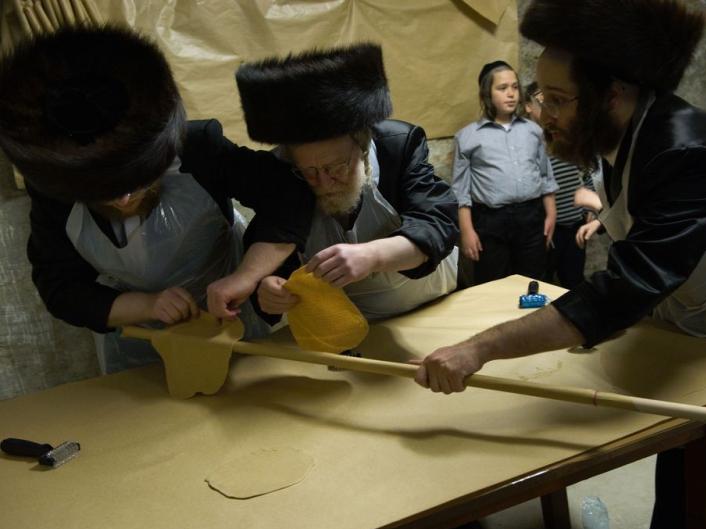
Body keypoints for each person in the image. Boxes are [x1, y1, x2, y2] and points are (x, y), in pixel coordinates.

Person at [414, 0, 706, 529]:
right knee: (686, 429)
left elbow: (627, 286)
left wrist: (479, 347)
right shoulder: (625, 135)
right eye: (540, 96)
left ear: (614, 93)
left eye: (558, 99)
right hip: (705, 295)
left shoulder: (685, 150)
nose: (541, 112)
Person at [0, 26, 313, 373]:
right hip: (140, 336)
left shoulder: (199, 149)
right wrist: (147, 305)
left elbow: (287, 194)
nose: (123, 199)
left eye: (137, 182)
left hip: (234, 318)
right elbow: (60, 286)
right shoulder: (54, 192)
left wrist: (246, 276)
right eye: (102, 193)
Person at [217, 43, 458, 322]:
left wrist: (372, 256)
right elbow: (271, 247)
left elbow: (437, 223)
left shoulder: (397, 147)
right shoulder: (283, 173)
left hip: (433, 307)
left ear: (363, 146)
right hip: (352, 326)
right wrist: (270, 290)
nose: (324, 182)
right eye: (309, 171)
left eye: (337, 167)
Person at [452, 61, 558, 286]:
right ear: (487, 95)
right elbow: (461, 190)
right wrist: (467, 231)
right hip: (490, 221)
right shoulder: (468, 137)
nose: (511, 94)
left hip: (531, 217)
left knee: (534, 280)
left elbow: (545, 176)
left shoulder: (533, 131)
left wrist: (551, 215)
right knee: (493, 283)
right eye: (502, 88)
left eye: (514, 87)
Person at [524, 81, 596, 288]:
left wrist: (591, 205)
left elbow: (586, 169)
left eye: (552, 102)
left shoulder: (565, 134)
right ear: (528, 105)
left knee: (573, 281)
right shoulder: (525, 139)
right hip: (545, 228)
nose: (547, 107)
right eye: (541, 101)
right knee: (542, 281)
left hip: (575, 222)